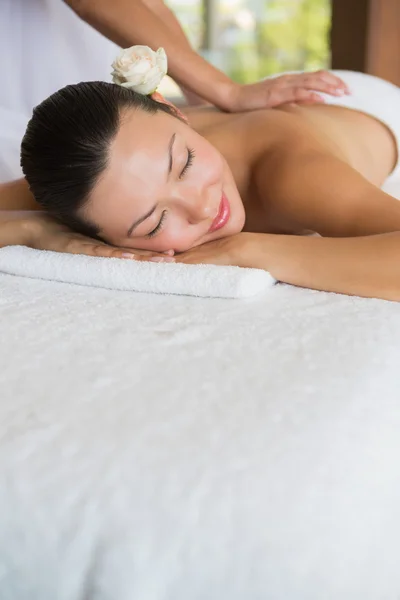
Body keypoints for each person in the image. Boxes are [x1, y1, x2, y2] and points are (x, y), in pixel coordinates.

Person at [9, 68, 400, 302]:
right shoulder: (97, 178)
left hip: (365, 105)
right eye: (154, 223)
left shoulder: (292, 175)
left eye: (186, 164)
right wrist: (35, 230)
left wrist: (250, 248)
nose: (202, 207)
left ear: (176, 111)